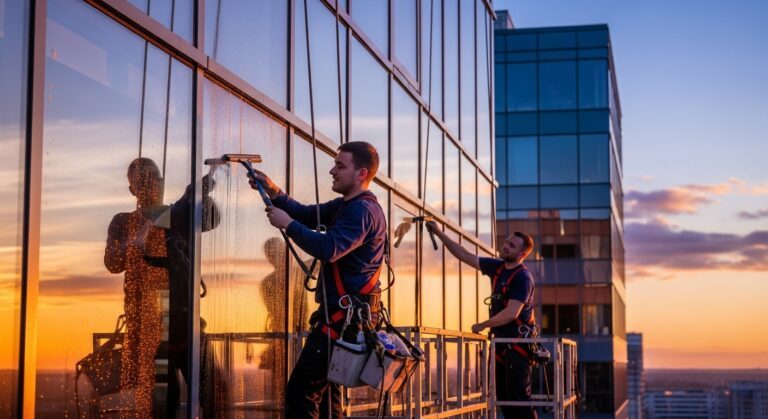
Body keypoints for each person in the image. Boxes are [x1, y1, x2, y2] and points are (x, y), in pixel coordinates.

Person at [248, 141, 387, 419]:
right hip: (343, 319)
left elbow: (329, 249)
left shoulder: (361, 212)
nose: (332, 171)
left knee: (302, 394)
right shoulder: (347, 206)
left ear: (361, 173)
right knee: (325, 400)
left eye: (340, 165)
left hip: (342, 321)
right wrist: (275, 191)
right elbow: (308, 214)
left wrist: (287, 224)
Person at [426, 223, 538, 419]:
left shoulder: (522, 278)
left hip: (518, 348)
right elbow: (464, 256)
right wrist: (438, 232)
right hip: (502, 347)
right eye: (507, 242)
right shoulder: (497, 268)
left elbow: (512, 313)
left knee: (519, 401)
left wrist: (482, 325)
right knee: (504, 400)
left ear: (521, 254)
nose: (505, 246)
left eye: (511, 246)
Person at [104, 158, 168, 417]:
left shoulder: (175, 215)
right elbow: (112, 263)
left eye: (154, 179)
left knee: (205, 381)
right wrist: (137, 238)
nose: (150, 185)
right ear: (133, 190)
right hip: (142, 319)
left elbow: (213, 217)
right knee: (152, 389)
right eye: (142, 182)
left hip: (177, 314)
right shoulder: (123, 221)